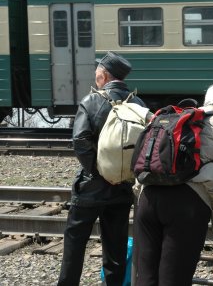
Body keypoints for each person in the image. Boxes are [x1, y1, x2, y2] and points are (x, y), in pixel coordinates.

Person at [133, 83, 213, 286]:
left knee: (146, 278)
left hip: (147, 199)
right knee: (173, 279)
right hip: (186, 205)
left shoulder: (180, 118)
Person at [58, 51, 146, 286]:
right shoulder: (137, 103)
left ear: (104, 76)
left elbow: (80, 140)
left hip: (90, 188)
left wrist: (98, 171)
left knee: (75, 245)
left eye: (97, 71)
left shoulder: (92, 101)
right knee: (115, 249)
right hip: (122, 189)